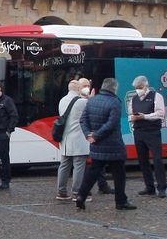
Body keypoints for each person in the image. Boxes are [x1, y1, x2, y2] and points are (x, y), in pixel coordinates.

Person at [75, 77, 135, 211]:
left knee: (92, 173)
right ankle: (121, 201)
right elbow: (111, 124)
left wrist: (89, 135)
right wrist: (96, 135)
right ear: (114, 89)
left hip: (97, 145)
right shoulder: (115, 102)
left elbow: (83, 120)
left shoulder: (92, 101)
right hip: (113, 146)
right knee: (119, 175)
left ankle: (81, 196)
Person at [129, 75, 167, 198]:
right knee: (142, 160)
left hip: (153, 131)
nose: (137, 89)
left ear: (146, 86)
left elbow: (161, 113)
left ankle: (162, 187)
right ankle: (149, 186)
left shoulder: (156, 96)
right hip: (139, 131)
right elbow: (130, 114)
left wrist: (144, 116)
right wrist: (134, 117)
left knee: (157, 159)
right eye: (136, 88)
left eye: (139, 87)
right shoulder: (133, 99)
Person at [54, 80, 88, 200]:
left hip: (65, 138)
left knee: (64, 165)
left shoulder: (62, 100)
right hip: (78, 138)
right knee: (79, 165)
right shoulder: (82, 102)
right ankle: (77, 192)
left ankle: (61, 191)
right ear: (78, 89)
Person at [78, 78, 112, 197]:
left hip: (94, 135)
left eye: (88, 85)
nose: (87, 87)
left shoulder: (93, 99)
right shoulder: (78, 101)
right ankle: (85, 189)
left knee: (97, 161)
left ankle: (102, 185)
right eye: (84, 85)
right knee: (86, 164)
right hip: (83, 135)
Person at [0, 80, 19, 190]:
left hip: (2, 133)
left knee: (4, 158)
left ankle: (5, 181)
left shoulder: (7, 101)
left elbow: (14, 116)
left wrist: (9, 131)